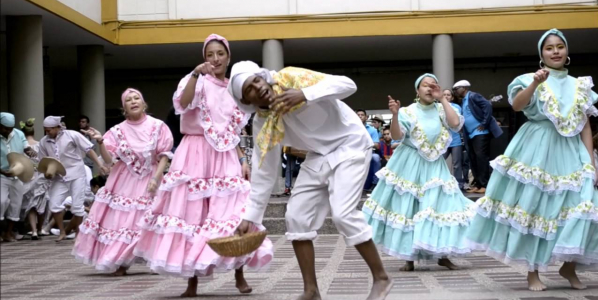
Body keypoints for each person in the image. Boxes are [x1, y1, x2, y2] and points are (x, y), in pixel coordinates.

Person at [229, 61, 393, 300]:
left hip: (350, 144)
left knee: (343, 214)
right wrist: (251, 217)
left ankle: (382, 278)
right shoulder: (263, 121)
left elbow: (348, 85)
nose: (257, 87)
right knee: (296, 216)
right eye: (249, 90)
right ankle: (311, 291)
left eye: (256, 80)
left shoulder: (291, 78)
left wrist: (305, 94)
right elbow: (265, 170)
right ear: (246, 102)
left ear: (263, 77)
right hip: (318, 154)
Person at [134, 34, 272, 297]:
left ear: (228, 57)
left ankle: (239, 273)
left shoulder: (234, 89)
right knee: (192, 216)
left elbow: (232, 131)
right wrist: (196, 75)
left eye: (220, 53)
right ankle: (192, 282)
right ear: (204, 58)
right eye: (210, 54)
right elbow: (183, 104)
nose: (215, 59)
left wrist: (242, 159)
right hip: (194, 153)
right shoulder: (194, 80)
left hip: (225, 156)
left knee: (233, 213)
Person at [465, 28, 598, 291]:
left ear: (567, 51)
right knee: (535, 208)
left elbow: (584, 125)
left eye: (560, 46)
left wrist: (591, 161)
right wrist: (536, 83)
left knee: (585, 206)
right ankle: (532, 271)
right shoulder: (528, 78)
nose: (556, 51)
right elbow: (516, 105)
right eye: (549, 48)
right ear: (541, 54)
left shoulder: (580, 85)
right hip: (537, 148)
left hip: (572, 152)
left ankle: (568, 266)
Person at [363, 74, 474, 272]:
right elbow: (397, 136)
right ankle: (409, 257)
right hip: (410, 164)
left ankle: (442, 254)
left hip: (434, 166)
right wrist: (395, 115)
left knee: (440, 206)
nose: (430, 88)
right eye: (425, 85)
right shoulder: (408, 111)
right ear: (417, 90)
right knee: (410, 208)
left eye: (434, 85)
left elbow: (456, 124)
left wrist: (442, 99)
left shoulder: (442, 108)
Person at [73, 88, 174, 276]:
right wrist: (101, 141)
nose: (134, 101)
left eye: (137, 98)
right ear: (124, 108)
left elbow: (163, 156)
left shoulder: (158, 126)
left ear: (144, 104)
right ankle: (120, 262)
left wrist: (156, 178)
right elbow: (110, 160)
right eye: (129, 100)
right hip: (124, 181)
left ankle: (153, 259)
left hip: (150, 179)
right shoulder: (117, 130)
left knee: (150, 220)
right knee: (124, 223)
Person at [37, 116, 107, 242]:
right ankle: (62, 231)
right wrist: (47, 173)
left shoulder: (72, 135)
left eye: (50, 130)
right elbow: (43, 161)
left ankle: (78, 234)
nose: (48, 133)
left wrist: (100, 164)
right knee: (54, 204)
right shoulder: (43, 142)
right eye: (46, 130)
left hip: (76, 174)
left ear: (58, 127)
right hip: (59, 177)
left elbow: (88, 150)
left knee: (77, 206)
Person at [453, 80, 503, 193]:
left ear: (464, 88)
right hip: (470, 134)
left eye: (457, 89)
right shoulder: (464, 100)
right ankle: (478, 184)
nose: (455, 91)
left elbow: (487, 105)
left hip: (480, 133)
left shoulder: (473, 96)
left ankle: (485, 185)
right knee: (473, 158)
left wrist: (484, 123)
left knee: (481, 158)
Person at [0, 112, 37, 242]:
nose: (8, 131)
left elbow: (26, 147)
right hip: (2, 175)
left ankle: (8, 233)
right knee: (1, 201)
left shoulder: (19, 134)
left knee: (16, 205)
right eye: (5, 128)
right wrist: (3, 172)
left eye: (10, 129)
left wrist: (30, 152)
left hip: (17, 175)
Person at [442, 89, 468, 191]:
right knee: (440, 162)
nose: (447, 96)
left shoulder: (456, 107)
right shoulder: (437, 107)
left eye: (448, 95)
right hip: (443, 140)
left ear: (452, 97)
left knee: (457, 164)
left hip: (455, 140)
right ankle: (441, 183)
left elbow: (459, 123)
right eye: (444, 95)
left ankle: (459, 184)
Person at [357, 109, 382, 191]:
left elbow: (377, 145)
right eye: (358, 115)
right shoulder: (350, 128)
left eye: (362, 115)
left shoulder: (372, 130)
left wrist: (364, 142)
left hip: (369, 152)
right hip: (354, 153)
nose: (360, 116)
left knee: (376, 158)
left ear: (366, 117)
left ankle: (375, 183)